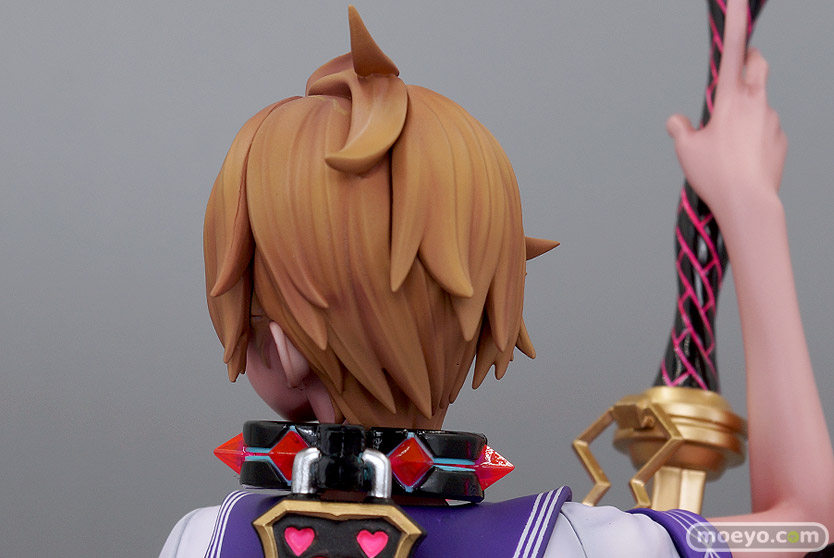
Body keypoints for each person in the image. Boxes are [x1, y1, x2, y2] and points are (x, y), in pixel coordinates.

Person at [161, 1, 834, 556]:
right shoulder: (573, 546)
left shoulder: (202, 542)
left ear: (279, 347)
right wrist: (751, 205)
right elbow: (805, 527)